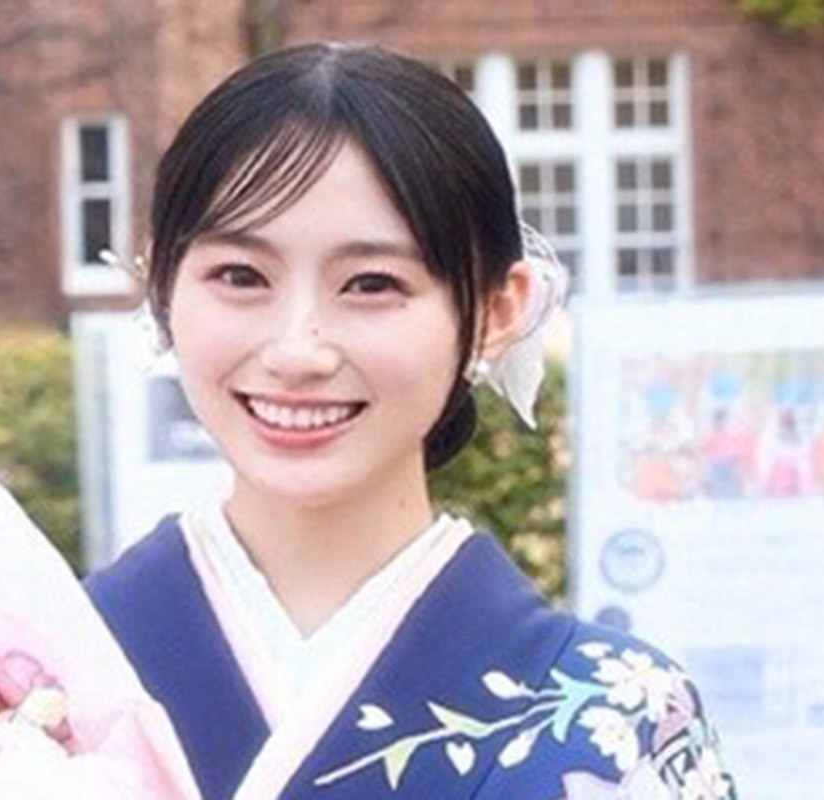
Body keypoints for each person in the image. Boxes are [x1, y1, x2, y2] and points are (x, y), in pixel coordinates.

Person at [85, 42, 736, 800]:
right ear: (163, 288)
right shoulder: (36, 673)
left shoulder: (623, 718)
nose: (298, 352)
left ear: (496, 311)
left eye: (372, 284)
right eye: (240, 276)